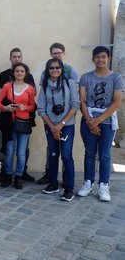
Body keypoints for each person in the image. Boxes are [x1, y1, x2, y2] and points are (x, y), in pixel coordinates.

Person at [77, 46, 123, 202]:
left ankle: (104, 184)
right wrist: (91, 121)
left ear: (108, 58)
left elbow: (117, 102)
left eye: (103, 56)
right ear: (93, 59)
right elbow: (81, 101)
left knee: (104, 154)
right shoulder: (85, 77)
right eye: (97, 57)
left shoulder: (116, 77)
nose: (100, 60)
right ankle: (88, 183)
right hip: (88, 120)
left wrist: (98, 120)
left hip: (107, 121)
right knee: (89, 153)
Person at [37, 42, 79, 185]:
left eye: (57, 67)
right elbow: (42, 108)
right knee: (53, 154)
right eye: (52, 68)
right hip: (50, 123)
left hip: (66, 123)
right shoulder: (44, 82)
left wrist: (60, 124)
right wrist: (53, 126)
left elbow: (75, 103)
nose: (54, 69)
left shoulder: (71, 77)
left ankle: (68, 184)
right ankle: (52, 181)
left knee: (66, 156)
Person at [0, 48, 36, 182]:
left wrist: (26, 107)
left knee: (21, 152)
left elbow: (33, 106)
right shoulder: (7, 85)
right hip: (10, 122)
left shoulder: (30, 87)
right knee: (9, 151)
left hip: (24, 123)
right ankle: (7, 174)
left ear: (25, 73)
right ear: (13, 73)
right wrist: (5, 108)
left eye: (22, 71)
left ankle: (19, 175)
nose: (19, 72)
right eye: (17, 71)